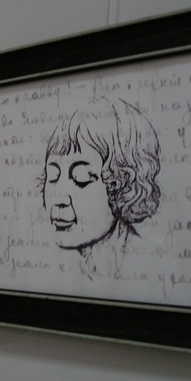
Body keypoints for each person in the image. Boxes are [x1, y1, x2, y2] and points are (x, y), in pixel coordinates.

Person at [40, 96, 161, 279]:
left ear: (123, 185)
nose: (59, 198)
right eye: (53, 176)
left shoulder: (150, 267)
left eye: (81, 178)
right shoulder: (60, 273)